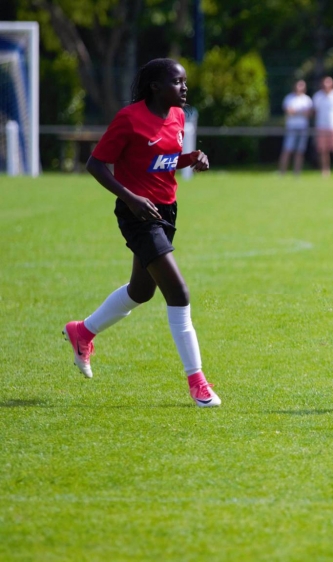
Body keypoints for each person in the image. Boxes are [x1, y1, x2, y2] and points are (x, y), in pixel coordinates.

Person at [64, 58, 220, 408]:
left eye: (184, 82)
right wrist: (131, 199)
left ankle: (82, 331)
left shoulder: (177, 116)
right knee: (178, 292)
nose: (184, 88)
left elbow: (162, 161)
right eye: (177, 82)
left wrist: (192, 158)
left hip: (166, 211)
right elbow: (95, 164)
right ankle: (198, 383)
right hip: (137, 215)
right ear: (155, 86)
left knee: (141, 291)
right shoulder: (129, 118)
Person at [312, 76, 333, 178]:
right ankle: (325, 171)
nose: (326, 85)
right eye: (324, 83)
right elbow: (315, 112)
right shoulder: (317, 96)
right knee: (323, 150)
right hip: (321, 127)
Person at [278, 79, 313, 176]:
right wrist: (301, 112)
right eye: (298, 85)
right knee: (287, 150)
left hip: (303, 128)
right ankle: (282, 173)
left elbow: (308, 114)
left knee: (300, 151)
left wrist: (296, 111)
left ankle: (297, 173)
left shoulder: (307, 100)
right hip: (291, 128)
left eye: (302, 86)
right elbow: (289, 111)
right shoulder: (289, 98)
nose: (299, 88)